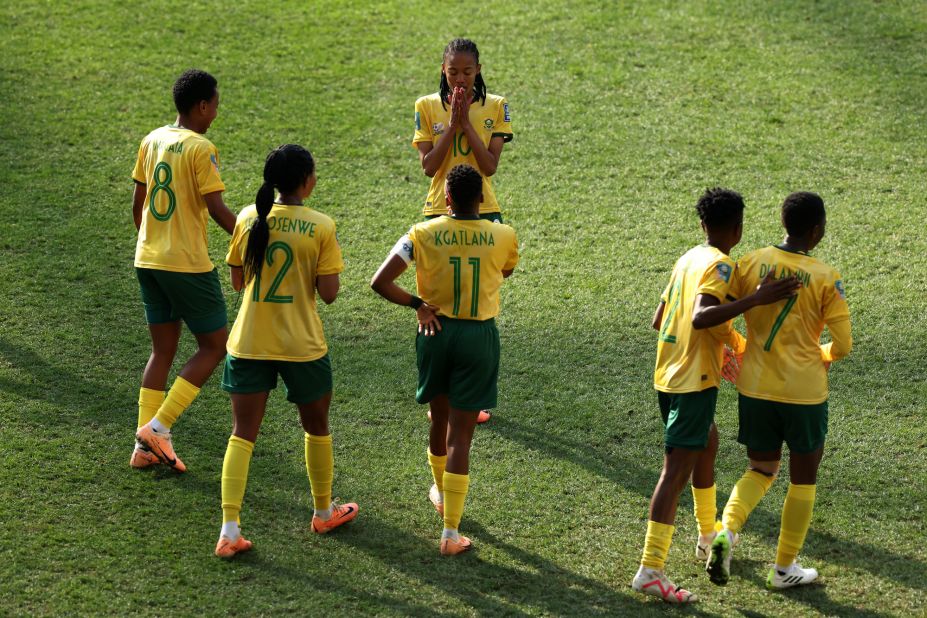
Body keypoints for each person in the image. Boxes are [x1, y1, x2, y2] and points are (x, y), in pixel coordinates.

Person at [632, 188, 800, 603]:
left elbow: (660, 319)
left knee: (707, 441)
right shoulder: (722, 266)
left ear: (702, 224)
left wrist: (728, 343)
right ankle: (650, 569)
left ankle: (708, 534)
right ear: (738, 228)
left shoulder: (687, 258)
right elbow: (701, 316)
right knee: (675, 471)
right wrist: (754, 300)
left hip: (668, 372)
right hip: (693, 379)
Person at [214, 144, 357, 558]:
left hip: (249, 341)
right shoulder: (321, 226)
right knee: (316, 427)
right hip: (302, 344)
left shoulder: (247, 218)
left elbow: (239, 282)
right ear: (307, 181)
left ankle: (228, 529)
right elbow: (329, 294)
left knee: (242, 435)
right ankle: (323, 511)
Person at [706, 192, 851, 590]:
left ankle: (726, 533)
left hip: (755, 387)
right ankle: (785, 568)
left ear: (783, 222)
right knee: (802, 480)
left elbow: (722, 316)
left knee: (760, 469)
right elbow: (843, 345)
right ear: (817, 230)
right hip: (804, 393)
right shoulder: (825, 276)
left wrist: (738, 346)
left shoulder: (750, 262)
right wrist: (820, 354)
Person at [371, 164, 518, 555]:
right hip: (478, 337)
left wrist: (418, 305)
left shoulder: (420, 233)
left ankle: (438, 490)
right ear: (483, 199)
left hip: (433, 333)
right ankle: (451, 533)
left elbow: (379, 281)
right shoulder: (503, 235)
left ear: (446, 198)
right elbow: (505, 270)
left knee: (439, 418)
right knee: (462, 437)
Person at [131, 69, 237, 472]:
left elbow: (138, 204)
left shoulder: (152, 139)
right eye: (215, 106)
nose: (216, 114)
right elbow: (217, 209)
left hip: (148, 258)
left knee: (162, 350)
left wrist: (153, 244)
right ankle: (159, 427)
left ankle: (144, 445)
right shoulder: (200, 148)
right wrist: (249, 239)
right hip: (187, 264)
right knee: (215, 346)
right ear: (202, 105)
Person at [413, 38, 513, 424]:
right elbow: (428, 167)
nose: (460, 79)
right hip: (439, 209)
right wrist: (450, 126)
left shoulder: (496, 106)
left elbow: (488, 166)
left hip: (484, 211)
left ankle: (476, 397)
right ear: (443, 69)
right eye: (453, 71)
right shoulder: (425, 106)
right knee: (435, 298)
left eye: (467, 72)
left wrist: (464, 124)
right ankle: (441, 390)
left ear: (478, 70)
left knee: (481, 299)